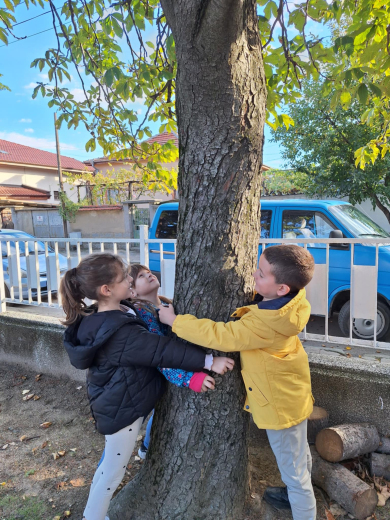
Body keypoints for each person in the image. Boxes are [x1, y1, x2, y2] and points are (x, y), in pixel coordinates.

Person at [60, 253, 234, 520]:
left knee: (110, 465)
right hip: (122, 410)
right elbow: (161, 350)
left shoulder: (113, 312)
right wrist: (209, 360)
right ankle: (93, 517)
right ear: (106, 290)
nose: (130, 279)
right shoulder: (120, 333)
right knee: (113, 470)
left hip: (120, 399)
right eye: (124, 278)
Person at [159, 245, 316, 520]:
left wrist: (175, 321)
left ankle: (302, 505)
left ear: (282, 289)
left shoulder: (265, 324)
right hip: (293, 394)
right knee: (299, 457)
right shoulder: (292, 302)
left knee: (295, 469)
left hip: (281, 408)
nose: (254, 275)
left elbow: (220, 335)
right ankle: (296, 493)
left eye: (262, 274)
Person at [128, 264, 214, 458]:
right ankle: (141, 449)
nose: (149, 274)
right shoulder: (144, 314)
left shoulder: (165, 305)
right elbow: (160, 355)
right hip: (148, 378)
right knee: (135, 420)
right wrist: (189, 378)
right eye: (141, 276)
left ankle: (146, 446)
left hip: (166, 374)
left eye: (148, 271)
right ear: (132, 291)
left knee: (161, 407)